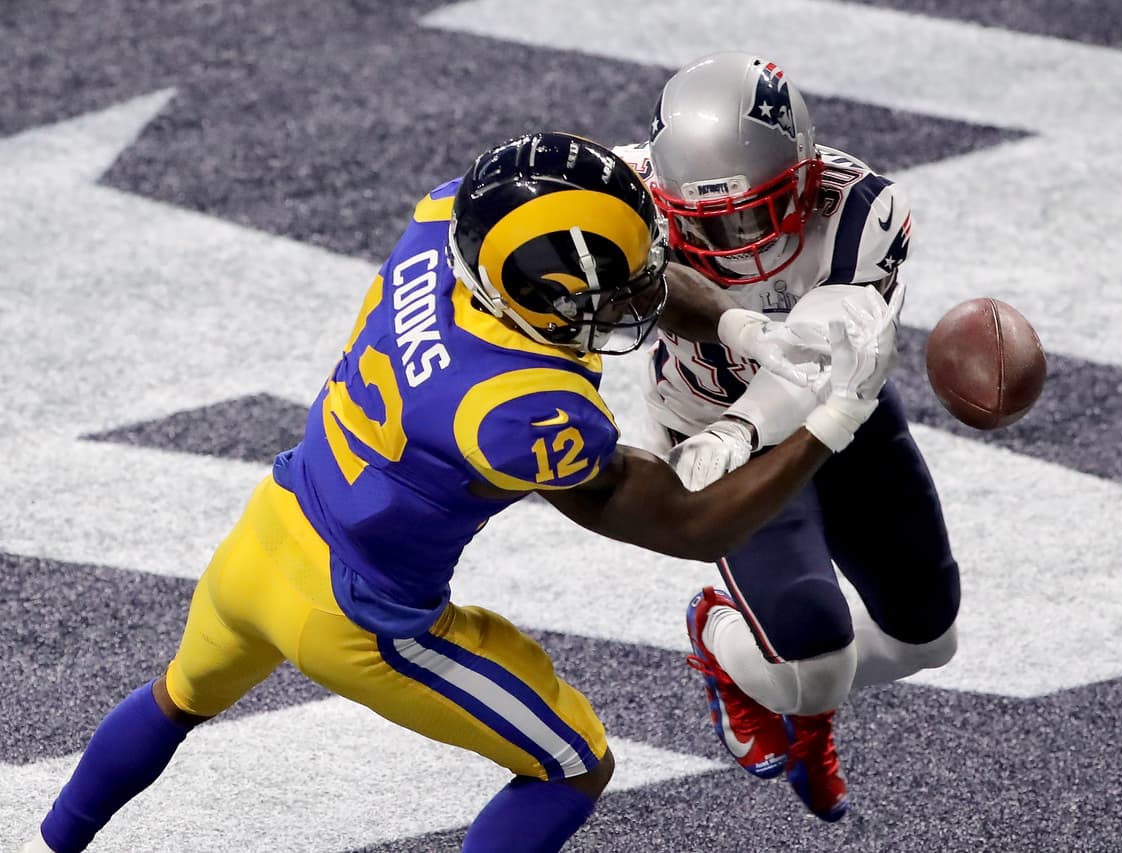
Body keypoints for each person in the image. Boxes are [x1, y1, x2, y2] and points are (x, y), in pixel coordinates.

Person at [19, 131, 900, 853]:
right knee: (574, 764)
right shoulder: (521, 410)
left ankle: (50, 842)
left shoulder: (455, 215)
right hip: (358, 621)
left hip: (267, 532)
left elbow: (593, 259)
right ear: (542, 301)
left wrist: (737, 321)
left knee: (176, 697)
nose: (636, 297)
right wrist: (830, 422)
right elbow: (684, 520)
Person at [613, 53, 961, 822]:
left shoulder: (862, 211)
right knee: (811, 667)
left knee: (928, 638)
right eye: (709, 223)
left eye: (754, 212)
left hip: (833, 408)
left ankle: (780, 681)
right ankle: (724, 640)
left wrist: (743, 430)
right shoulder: (624, 190)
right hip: (704, 417)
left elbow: (809, 362)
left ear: (805, 173)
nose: (737, 241)